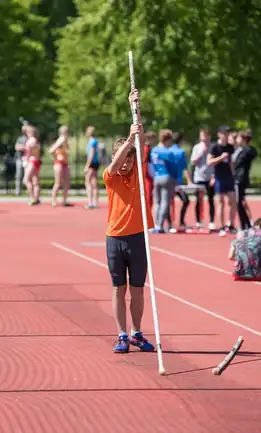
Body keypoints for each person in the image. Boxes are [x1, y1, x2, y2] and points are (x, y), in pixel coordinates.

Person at [104, 88, 155, 354]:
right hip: (115, 238)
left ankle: (136, 332)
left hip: (137, 237)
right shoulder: (111, 175)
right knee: (117, 288)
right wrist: (127, 144)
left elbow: (141, 141)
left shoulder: (137, 173)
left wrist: (135, 109)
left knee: (137, 289)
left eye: (129, 159)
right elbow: (114, 166)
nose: (125, 164)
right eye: (122, 159)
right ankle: (121, 334)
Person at [208, 125, 237, 232]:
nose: (226, 135)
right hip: (219, 177)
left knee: (232, 201)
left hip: (228, 176)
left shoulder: (230, 147)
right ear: (219, 134)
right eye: (224, 133)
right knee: (220, 202)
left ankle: (231, 224)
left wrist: (233, 173)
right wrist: (221, 158)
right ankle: (221, 225)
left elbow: (231, 162)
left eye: (227, 133)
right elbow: (209, 162)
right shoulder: (215, 147)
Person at [191, 127, 216, 231]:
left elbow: (215, 163)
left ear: (209, 137)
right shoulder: (197, 147)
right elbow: (192, 162)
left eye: (205, 136)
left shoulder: (214, 147)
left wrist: (214, 176)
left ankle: (211, 222)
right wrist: (200, 154)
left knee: (211, 199)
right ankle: (198, 221)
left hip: (210, 176)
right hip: (199, 177)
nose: (203, 138)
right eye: (202, 136)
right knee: (198, 200)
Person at [232, 129, 258, 230]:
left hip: (240, 179)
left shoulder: (247, 151)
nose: (236, 140)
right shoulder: (241, 150)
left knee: (238, 203)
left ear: (243, 139)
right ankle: (246, 224)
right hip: (239, 178)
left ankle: (245, 225)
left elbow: (237, 163)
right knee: (240, 202)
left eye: (238, 138)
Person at [48, 125, 72, 206]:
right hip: (59, 163)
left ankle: (64, 201)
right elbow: (51, 150)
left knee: (66, 183)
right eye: (66, 132)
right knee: (58, 183)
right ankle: (54, 200)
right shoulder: (61, 139)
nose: (68, 133)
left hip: (65, 163)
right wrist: (56, 157)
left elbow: (67, 151)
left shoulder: (65, 140)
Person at [23, 125, 42, 205]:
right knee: (35, 180)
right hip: (37, 161)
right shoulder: (36, 141)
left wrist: (26, 161)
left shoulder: (31, 140)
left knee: (26, 180)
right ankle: (37, 198)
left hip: (32, 161)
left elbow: (29, 152)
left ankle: (32, 197)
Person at [84, 126, 100, 209]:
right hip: (96, 163)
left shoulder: (92, 142)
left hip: (92, 163)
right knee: (94, 182)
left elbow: (91, 154)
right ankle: (95, 202)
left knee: (88, 182)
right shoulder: (95, 141)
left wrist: (87, 165)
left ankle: (90, 202)